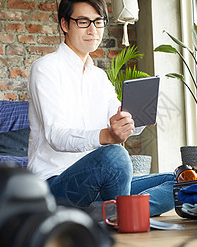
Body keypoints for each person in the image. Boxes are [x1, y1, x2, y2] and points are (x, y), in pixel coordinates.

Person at [27, 0, 175, 217]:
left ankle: (109, 212)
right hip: (54, 185)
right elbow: (55, 135)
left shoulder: (99, 77)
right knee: (115, 156)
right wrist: (107, 135)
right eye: (83, 21)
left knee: (177, 181)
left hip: (98, 184)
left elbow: (117, 121)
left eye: (98, 22)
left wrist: (137, 119)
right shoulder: (46, 69)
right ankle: (117, 213)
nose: (93, 30)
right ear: (65, 25)